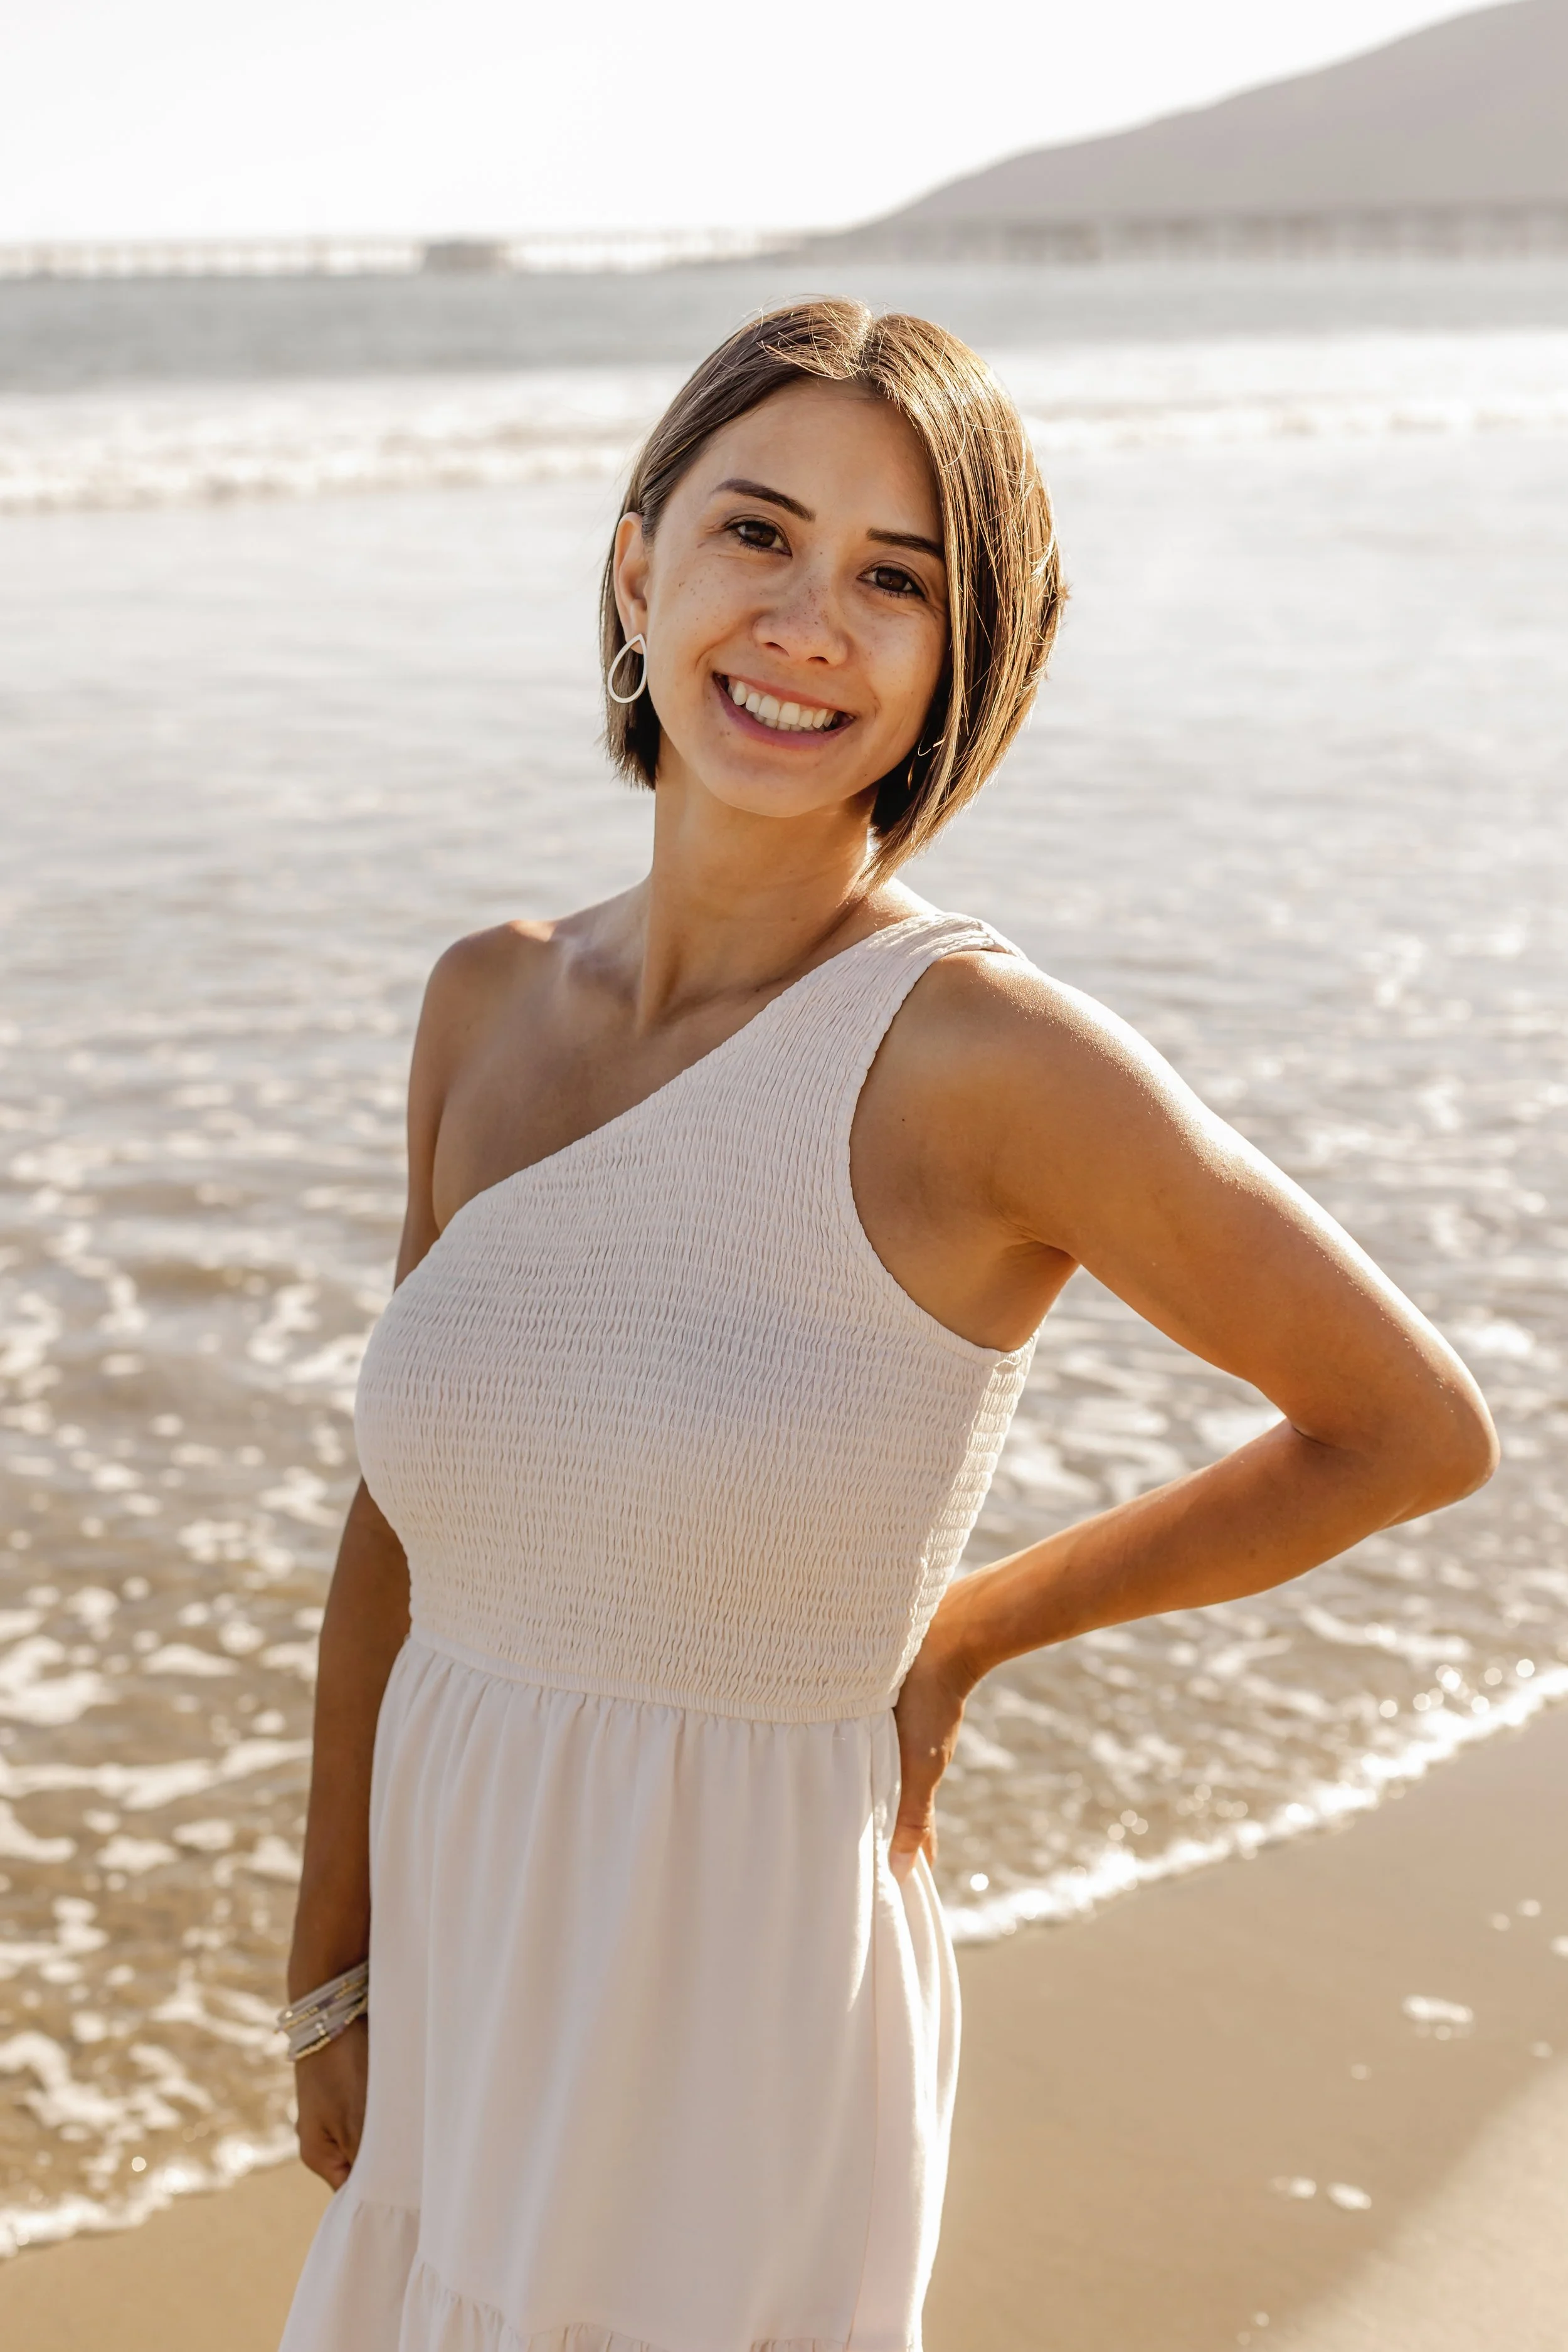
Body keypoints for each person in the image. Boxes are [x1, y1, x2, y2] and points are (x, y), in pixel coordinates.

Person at [277, 300, 1495, 2351]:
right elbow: (392, 1523)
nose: (808, 621)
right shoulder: (481, 1002)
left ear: (957, 660)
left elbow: (1402, 1422)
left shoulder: (975, 1057)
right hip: (465, 1933)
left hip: (731, 1997)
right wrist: (333, 1963)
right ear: (635, 563)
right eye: (757, 534)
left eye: (893, 578)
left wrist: (971, 1627)